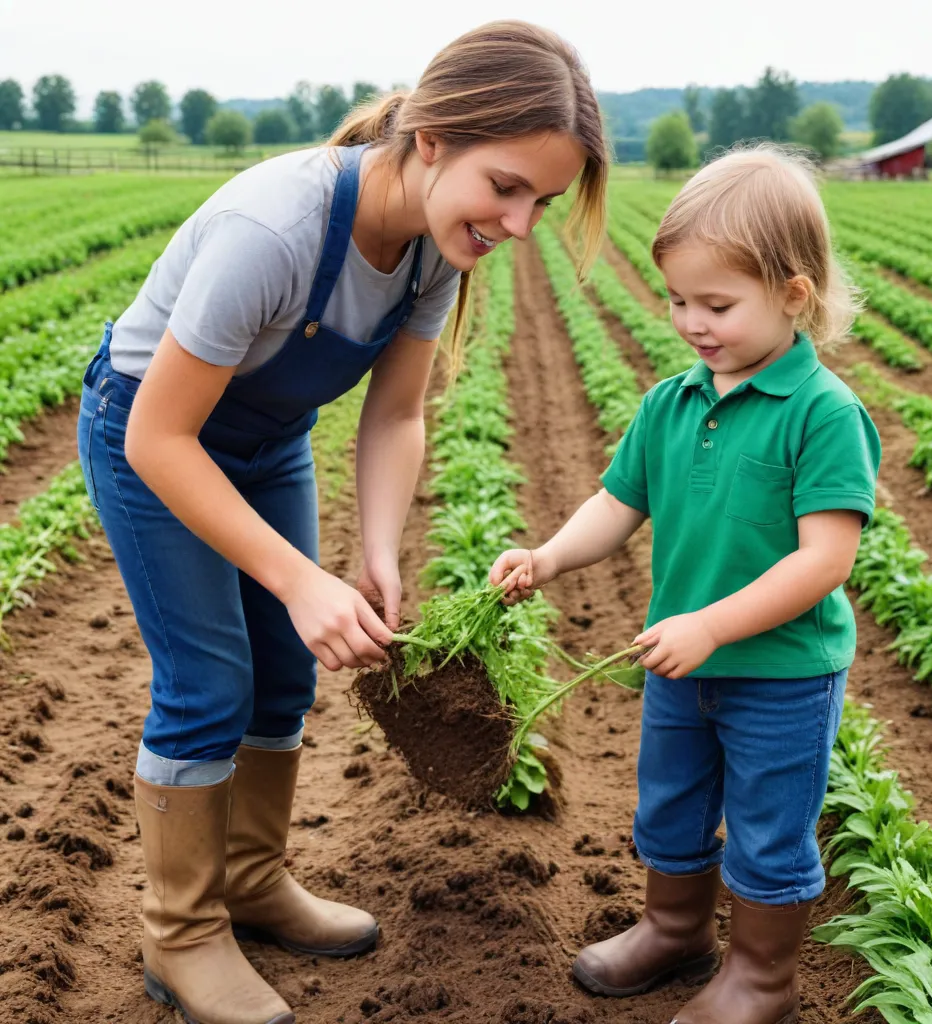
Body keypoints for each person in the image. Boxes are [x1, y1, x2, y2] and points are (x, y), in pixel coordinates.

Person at [76, 20, 608, 1024]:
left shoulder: (433, 254)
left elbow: (397, 412)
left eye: (540, 201)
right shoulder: (277, 228)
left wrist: (371, 557)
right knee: (207, 682)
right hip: (149, 435)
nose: (521, 223)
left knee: (283, 671)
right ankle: (180, 934)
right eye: (507, 187)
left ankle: (254, 878)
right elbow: (162, 439)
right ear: (434, 138)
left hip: (266, 440)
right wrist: (295, 576)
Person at [490, 144, 882, 1024]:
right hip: (680, 664)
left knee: (768, 826)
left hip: (781, 673)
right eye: (677, 300)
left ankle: (762, 980)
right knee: (669, 804)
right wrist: (548, 557)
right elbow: (617, 502)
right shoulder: (671, 402)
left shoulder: (823, 414)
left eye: (718, 304)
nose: (692, 322)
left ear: (794, 295)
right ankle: (675, 930)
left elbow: (824, 559)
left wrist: (712, 625)